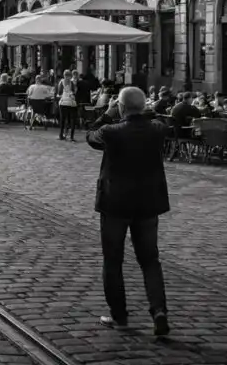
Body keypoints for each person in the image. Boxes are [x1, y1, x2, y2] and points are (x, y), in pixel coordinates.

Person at [86, 86, 170, 337]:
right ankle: (159, 311)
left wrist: (108, 113)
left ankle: (119, 316)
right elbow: (158, 119)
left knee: (113, 260)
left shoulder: (111, 132)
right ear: (143, 106)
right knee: (150, 260)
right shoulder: (157, 129)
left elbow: (90, 135)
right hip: (148, 203)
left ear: (121, 107)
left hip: (115, 203)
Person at [58, 69, 79, 142]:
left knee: (62, 119)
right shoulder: (72, 83)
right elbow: (74, 92)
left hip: (63, 103)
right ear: (70, 76)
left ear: (64, 75)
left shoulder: (61, 82)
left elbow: (59, 93)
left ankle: (61, 135)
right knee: (72, 119)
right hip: (71, 103)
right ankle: (71, 136)